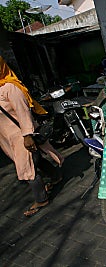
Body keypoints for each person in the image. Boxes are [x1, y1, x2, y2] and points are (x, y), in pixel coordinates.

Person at [0, 56, 64, 217]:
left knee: (27, 169)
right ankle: (56, 177)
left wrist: (27, 135)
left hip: (21, 136)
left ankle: (41, 199)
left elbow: (23, 111)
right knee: (36, 160)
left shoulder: (10, 87)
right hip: (8, 138)